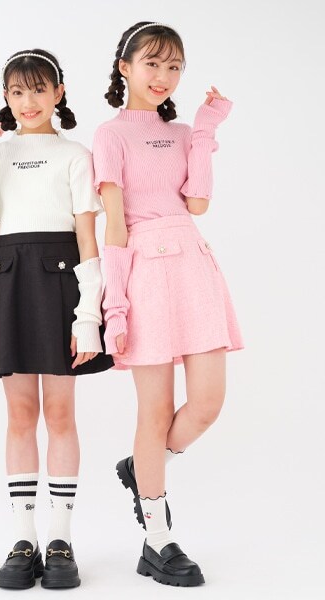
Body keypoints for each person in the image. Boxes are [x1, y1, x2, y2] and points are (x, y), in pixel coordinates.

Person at [93, 22, 243, 587]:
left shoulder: (181, 132)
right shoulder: (110, 135)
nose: (163, 76)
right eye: (152, 63)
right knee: (153, 413)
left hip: (192, 264)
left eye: (173, 66)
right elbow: (113, 224)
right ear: (125, 67)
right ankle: (157, 539)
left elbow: (198, 201)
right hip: (145, 271)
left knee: (206, 403)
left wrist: (204, 129)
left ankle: (144, 466)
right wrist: (114, 305)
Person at [0, 49, 113, 589]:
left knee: (60, 412)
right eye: (17, 92)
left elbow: (87, 237)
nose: (28, 102)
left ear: (58, 93)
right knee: (20, 413)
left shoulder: (75, 154)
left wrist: (88, 314)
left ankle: (60, 539)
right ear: (6, 98)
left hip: (60, 280)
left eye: (38, 90)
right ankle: (22, 537)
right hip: (8, 277)